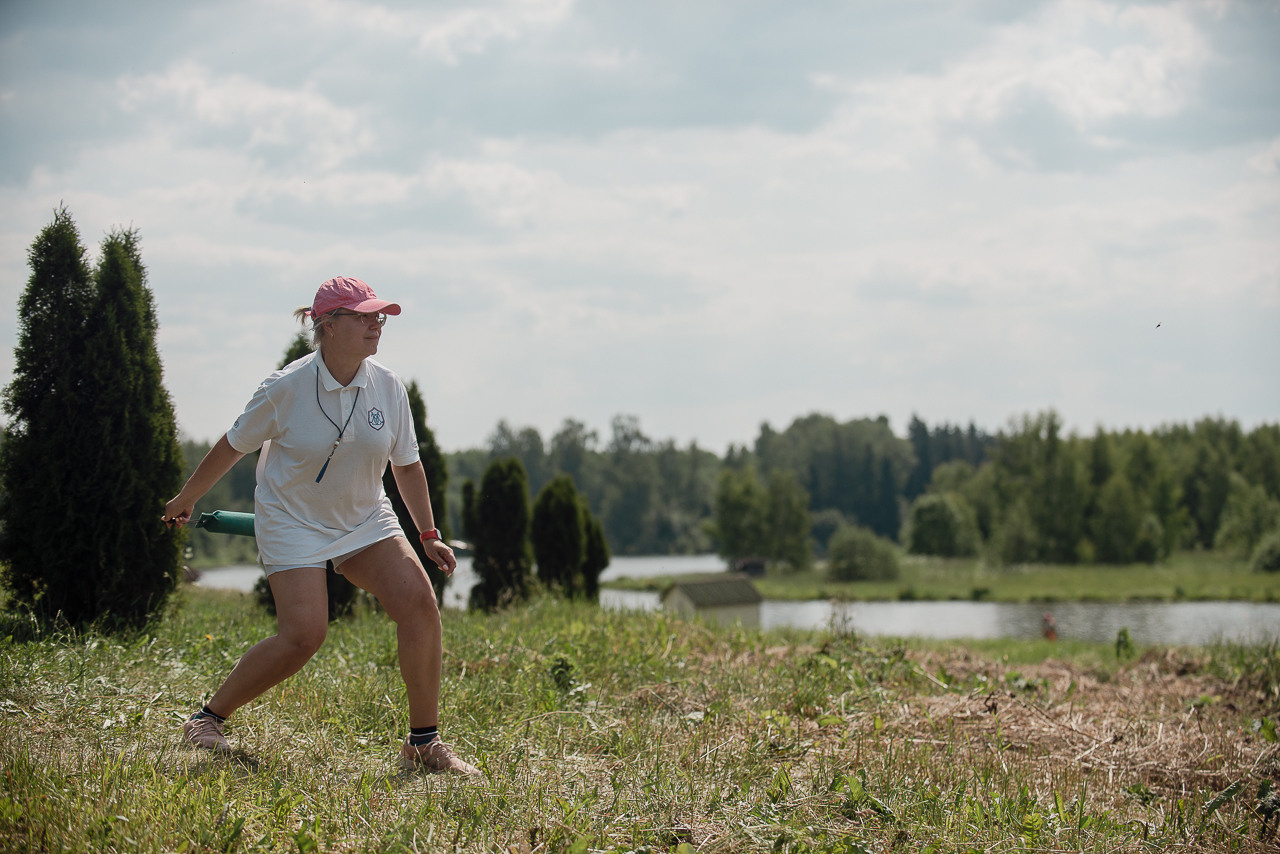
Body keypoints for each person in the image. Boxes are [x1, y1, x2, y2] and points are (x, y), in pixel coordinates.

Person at [163, 275, 478, 775]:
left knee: (419, 604)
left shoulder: (388, 386)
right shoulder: (285, 387)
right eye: (364, 316)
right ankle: (206, 720)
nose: (377, 324)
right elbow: (233, 444)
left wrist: (428, 534)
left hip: (364, 516)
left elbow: (407, 465)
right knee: (304, 635)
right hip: (291, 520)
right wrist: (187, 497)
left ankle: (423, 743)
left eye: (380, 315)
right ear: (327, 325)